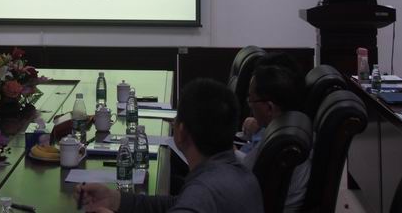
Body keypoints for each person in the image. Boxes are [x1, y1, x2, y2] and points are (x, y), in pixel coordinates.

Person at [75, 78, 263, 213]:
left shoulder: (202, 194)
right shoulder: (241, 175)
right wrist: (116, 199)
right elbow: (176, 203)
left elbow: (189, 203)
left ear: (181, 132)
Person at [240, 65, 310, 213]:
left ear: (269, 108)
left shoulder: (277, 141)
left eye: (251, 100)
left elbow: (240, 176)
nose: (250, 105)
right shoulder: (290, 124)